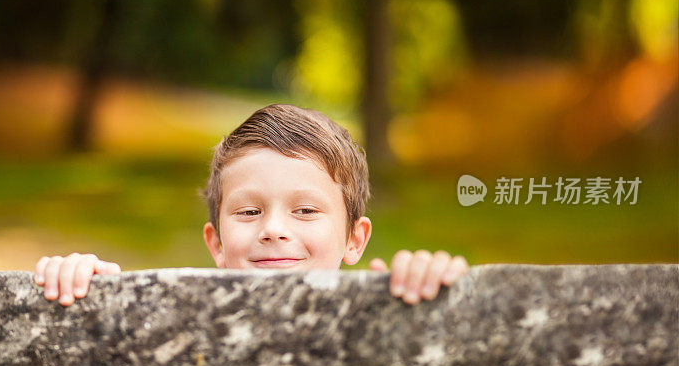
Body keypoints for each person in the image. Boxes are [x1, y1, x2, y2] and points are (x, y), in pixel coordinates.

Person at [33, 104, 469, 306]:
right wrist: (80, 289)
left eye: (305, 211)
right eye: (248, 212)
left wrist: (435, 290)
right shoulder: (181, 336)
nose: (273, 229)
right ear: (216, 242)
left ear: (355, 240)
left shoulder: (384, 331)